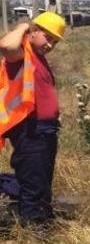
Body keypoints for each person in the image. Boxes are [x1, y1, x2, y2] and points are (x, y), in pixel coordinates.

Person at [0, 12, 66, 229]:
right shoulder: (21, 53)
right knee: (34, 181)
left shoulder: (37, 57)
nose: (50, 44)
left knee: (42, 180)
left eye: (54, 41)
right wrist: (22, 27)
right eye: (47, 37)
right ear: (34, 31)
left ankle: (44, 219)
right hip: (30, 129)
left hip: (45, 130)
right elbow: (6, 46)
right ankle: (34, 230)